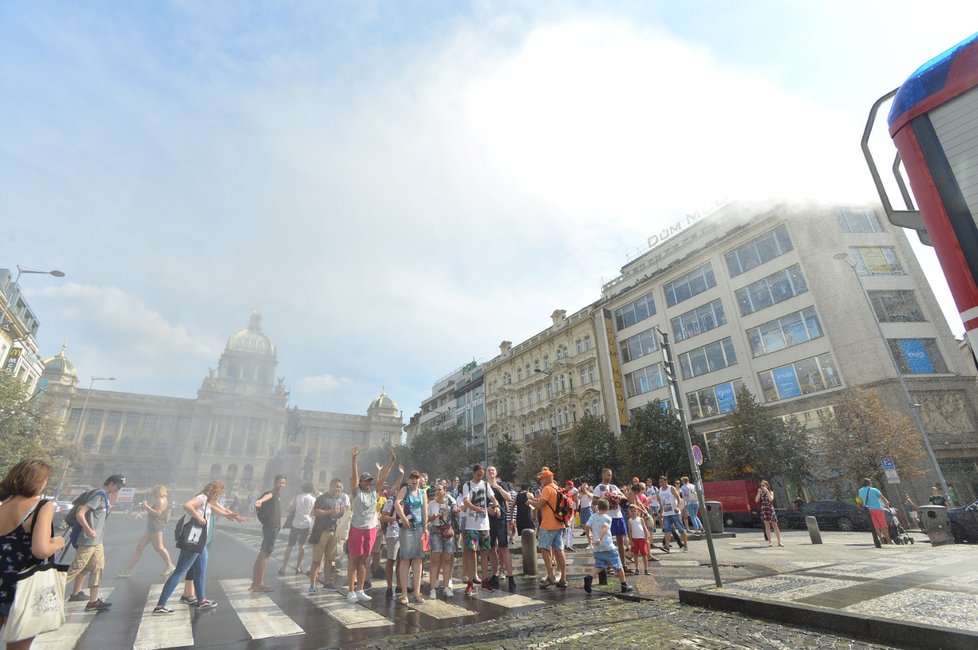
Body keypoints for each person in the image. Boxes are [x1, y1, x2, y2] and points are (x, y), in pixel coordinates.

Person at [0, 460, 66, 649]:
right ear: (37, 481)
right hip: (20, 585)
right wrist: (57, 543)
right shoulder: (42, 506)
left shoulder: (3, 505)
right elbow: (41, 550)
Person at [152, 481, 244, 613]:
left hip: (200, 541)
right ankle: (160, 606)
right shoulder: (202, 498)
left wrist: (230, 515)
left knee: (200, 571)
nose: (218, 495)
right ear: (214, 491)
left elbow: (218, 508)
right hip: (193, 540)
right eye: (218, 492)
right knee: (180, 571)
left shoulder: (207, 500)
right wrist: (199, 518)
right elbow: (187, 505)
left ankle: (201, 600)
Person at [65, 474, 126, 611]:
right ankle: (48, 594)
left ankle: (93, 601)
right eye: (118, 486)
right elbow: (80, 513)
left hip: (97, 542)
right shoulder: (99, 495)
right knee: (75, 568)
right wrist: (89, 530)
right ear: (110, 483)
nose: (118, 490)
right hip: (88, 541)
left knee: (98, 568)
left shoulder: (103, 496)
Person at [348, 445, 396, 604]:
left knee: (364, 560)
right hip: (357, 529)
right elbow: (354, 477)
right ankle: (351, 591)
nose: (368, 483)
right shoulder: (357, 492)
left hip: (370, 530)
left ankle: (360, 589)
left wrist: (392, 462)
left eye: (370, 481)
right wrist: (354, 460)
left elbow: (383, 477)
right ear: (361, 482)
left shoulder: (374, 492)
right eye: (365, 480)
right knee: (354, 560)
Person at [117, 484, 175, 578]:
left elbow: (158, 513)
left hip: (156, 527)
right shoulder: (163, 499)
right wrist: (146, 507)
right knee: (139, 548)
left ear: (158, 491)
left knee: (159, 547)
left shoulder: (160, 500)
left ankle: (170, 565)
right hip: (152, 527)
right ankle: (127, 570)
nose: (153, 494)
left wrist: (147, 507)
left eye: (154, 492)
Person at [461, 464, 501, 595]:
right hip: (471, 525)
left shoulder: (485, 485)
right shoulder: (467, 485)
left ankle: (485, 580)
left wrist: (496, 504)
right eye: (478, 475)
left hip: (484, 525)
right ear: (473, 473)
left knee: (485, 552)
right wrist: (475, 508)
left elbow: (492, 497)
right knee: (472, 553)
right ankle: (471, 582)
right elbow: (466, 501)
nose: (480, 477)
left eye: (481, 475)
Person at [582, 498, 634, 594]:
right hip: (607, 545)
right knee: (618, 565)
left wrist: (589, 536)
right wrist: (600, 538)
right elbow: (605, 528)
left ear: (598, 507)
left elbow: (587, 526)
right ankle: (624, 585)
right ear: (607, 508)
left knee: (599, 564)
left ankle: (589, 577)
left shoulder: (593, 516)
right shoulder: (607, 518)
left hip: (597, 547)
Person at [527, 466, 567, 589]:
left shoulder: (547, 489)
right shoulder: (558, 488)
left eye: (542, 479)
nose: (541, 481)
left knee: (544, 549)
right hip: (559, 523)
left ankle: (550, 576)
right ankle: (563, 579)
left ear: (547, 478)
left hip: (548, 525)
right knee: (559, 550)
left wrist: (530, 501)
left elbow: (539, 505)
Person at [308, 479, 349, 593]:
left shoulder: (339, 500)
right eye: (337, 486)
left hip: (333, 531)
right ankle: (313, 585)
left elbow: (338, 514)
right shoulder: (322, 498)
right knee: (317, 559)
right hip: (322, 532)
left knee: (330, 559)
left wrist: (341, 512)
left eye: (340, 487)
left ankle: (327, 582)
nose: (339, 489)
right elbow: (315, 512)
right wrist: (330, 511)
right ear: (330, 486)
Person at [394, 470, 428, 605]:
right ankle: (403, 593)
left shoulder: (422, 492)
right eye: (412, 478)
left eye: (417, 478)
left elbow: (425, 510)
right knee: (405, 559)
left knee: (418, 558)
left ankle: (416, 591)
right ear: (409, 480)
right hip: (407, 527)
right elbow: (397, 502)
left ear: (420, 480)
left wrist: (425, 528)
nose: (415, 480)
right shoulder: (405, 489)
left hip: (419, 527)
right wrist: (403, 517)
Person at [251, 474, 287, 592]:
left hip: (270, 527)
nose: (281, 485)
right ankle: (259, 584)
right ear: (275, 483)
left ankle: (255, 583)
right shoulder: (273, 493)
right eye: (279, 482)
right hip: (271, 527)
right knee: (265, 554)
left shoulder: (279, 495)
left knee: (262, 554)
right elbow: (268, 495)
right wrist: (260, 500)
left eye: (283, 483)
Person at [486, 466, 517, 592]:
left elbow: (509, 498)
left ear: (496, 473)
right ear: (486, 474)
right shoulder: (483, 485)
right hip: (488, 519)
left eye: (493, 470)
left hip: (501, 518)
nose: (491, 472)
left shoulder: (502, 484)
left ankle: (511, 578)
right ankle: (494, 576)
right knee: (491, 548)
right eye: (489, 471)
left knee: (503, 548)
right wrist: (488, 509)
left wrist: (497, 487)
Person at [426, 481, 459, 599]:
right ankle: (432, 589)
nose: (437, 492)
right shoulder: (431, 504)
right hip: (436, 531)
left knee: (447, 558)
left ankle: (446, 587)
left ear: (444, 490)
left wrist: (457, 509)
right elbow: (427, 519)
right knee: (435, 559)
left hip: (448, 531)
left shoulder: (450, 501)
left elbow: (456, 511)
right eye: (436, 490)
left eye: (440, 489)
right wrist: (432, 517)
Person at [279, 482, 316, 576]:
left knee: (289, 545)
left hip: (295, 523)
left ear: (302, 488)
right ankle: (298, 567)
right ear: (311, 489)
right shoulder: (313, 499)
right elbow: (313, 512)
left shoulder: (297, 497)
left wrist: (295, 510)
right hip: (306, 524)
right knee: (302, 546)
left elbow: (288, 509)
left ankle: (283, 567)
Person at [593, 468, 627, 566]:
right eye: (608, 475)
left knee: (621, 541)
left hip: (618, 516)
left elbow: (624, 498)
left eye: (611, 475)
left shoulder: (614, 487)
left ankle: (623, 565)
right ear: (603, 475)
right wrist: (605, 498)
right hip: (607, 517)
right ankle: (609, 566)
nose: (610, 477)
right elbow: (594, 501)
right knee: (607, 542)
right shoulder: (599, 488)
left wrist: (619, 497)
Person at [658, 476, 689, 552]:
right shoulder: (660, 490)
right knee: (667, 530)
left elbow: (679, 499)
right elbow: (661, 503)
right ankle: (667, 546)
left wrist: (678, 507)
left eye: (662, 481)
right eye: (660, 482)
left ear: (666, 481)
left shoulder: (671, 488)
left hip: (674, 513)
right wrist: (660, 512)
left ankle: (685, 546)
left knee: (681, 529)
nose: (661, 483)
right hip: (666, 513)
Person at [858, 478, 891, 544]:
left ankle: (881, 540)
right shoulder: (874, 490)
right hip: (877, 509)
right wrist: (887, 505)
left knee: (876, 526)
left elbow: (860, 501)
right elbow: (882, 498)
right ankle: (888, 540)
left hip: (868, 510)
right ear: (869, 483)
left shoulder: (860, 491)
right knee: (883, 525)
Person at [756, 480, 783, 547]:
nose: (762, 487)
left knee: (775, 525)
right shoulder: (761, 493)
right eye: (761, 485)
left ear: (767, 486)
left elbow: (771, 499)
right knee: (767, 526)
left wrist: (767, 491)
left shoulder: (771, 492)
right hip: (764, 509)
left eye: (763, 485)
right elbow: (756, 500)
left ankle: (779, 542)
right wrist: (758, 493)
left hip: (770, 509)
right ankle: (770, 542)